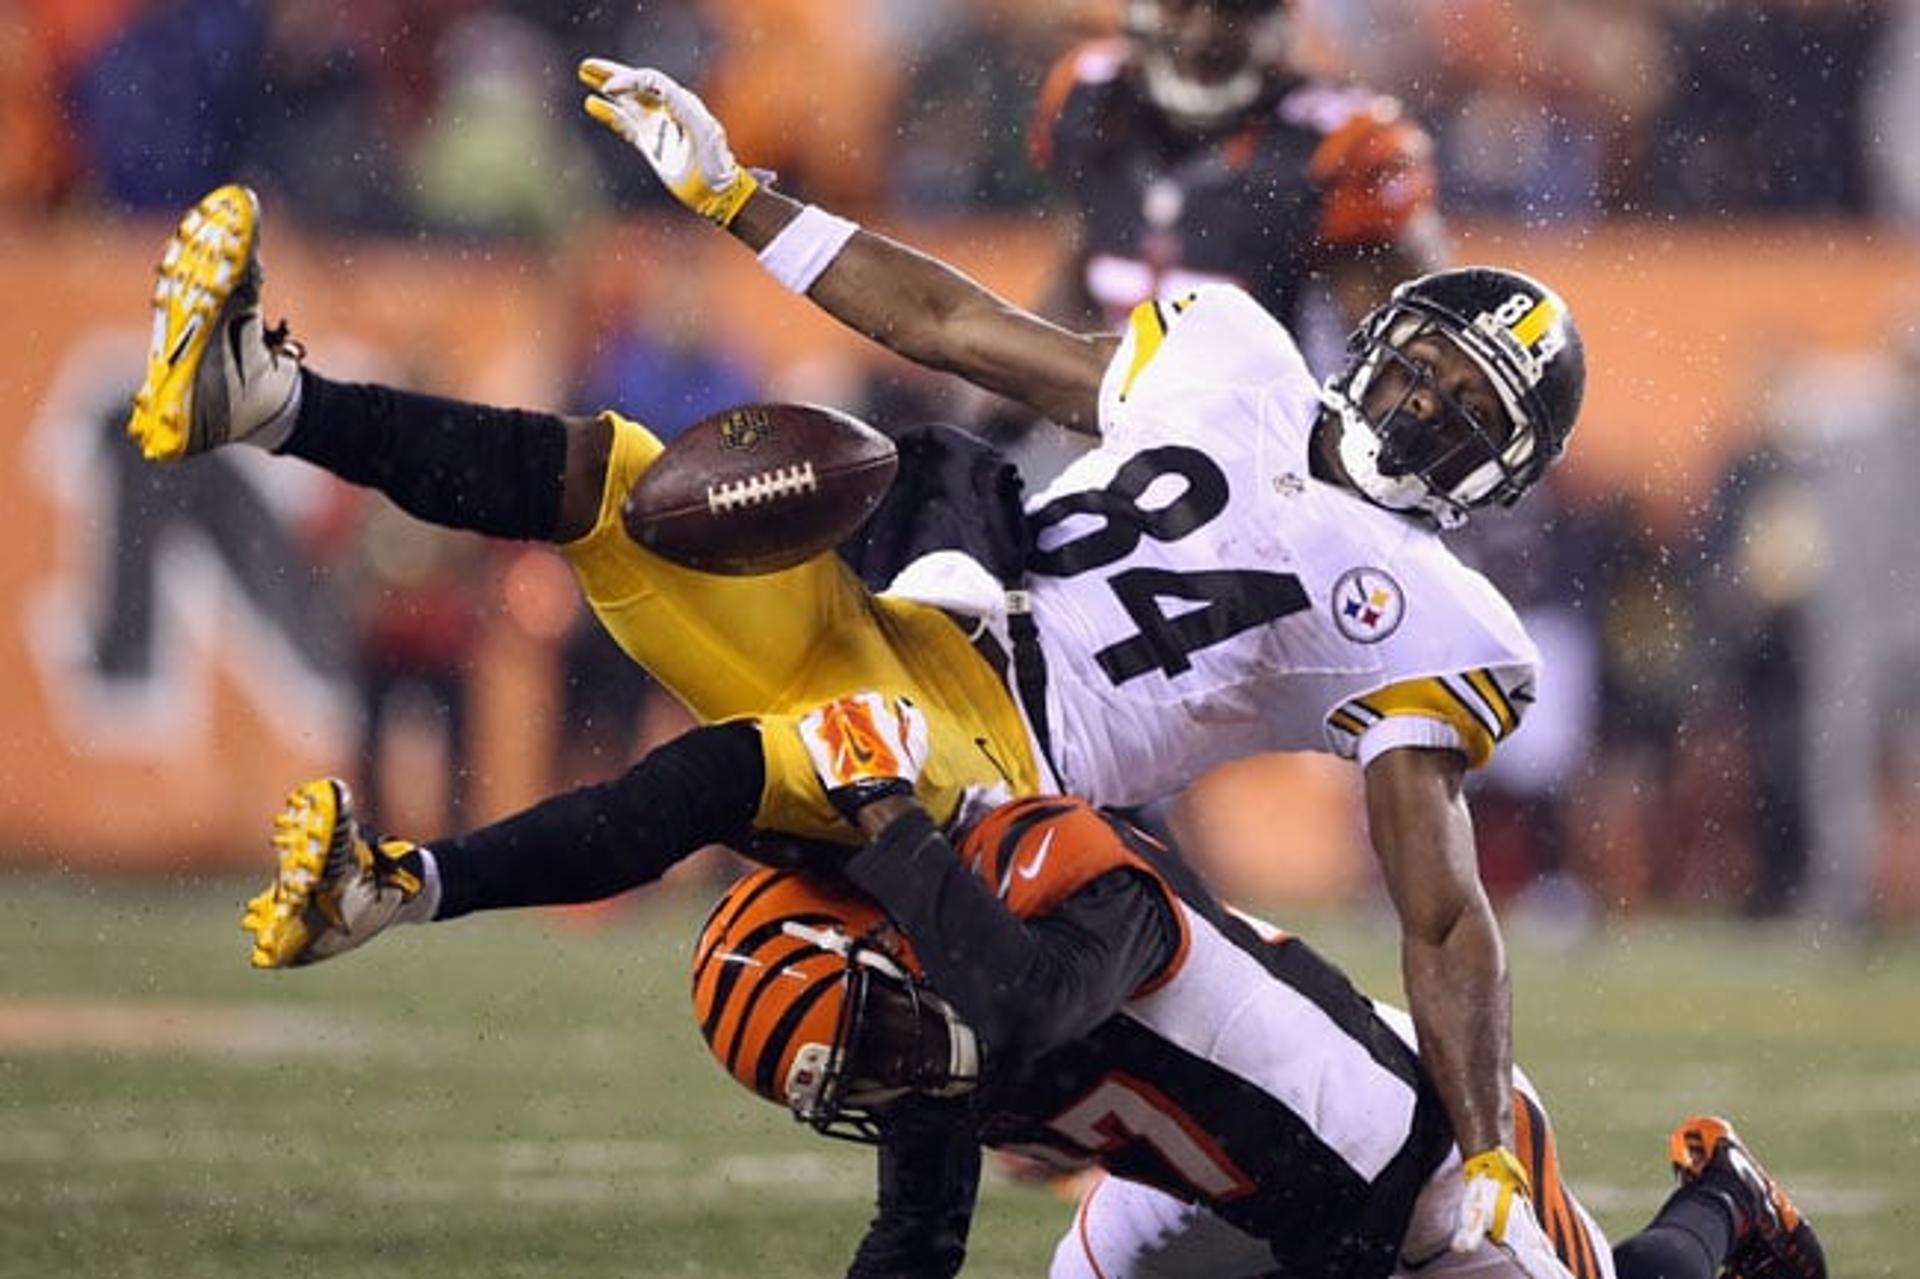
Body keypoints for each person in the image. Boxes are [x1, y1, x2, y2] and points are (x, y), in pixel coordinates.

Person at [127, 57, 1583, 1264]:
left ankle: (402, 885)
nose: (1426, 407)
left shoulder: (1433, 607)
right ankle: (267, 396)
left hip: (1012, 772)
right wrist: (733, 196)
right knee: (614, 479)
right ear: (1377, 334)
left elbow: (1444, 913)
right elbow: (955, 321)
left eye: (1468, 412)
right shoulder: (1237, 349)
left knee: (764, 768)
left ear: (1496, 474)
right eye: (1431, 368)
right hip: (914, 630)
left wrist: (1484, 1146)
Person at [708, 693, 1822, 1279]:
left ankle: (1725, 1199)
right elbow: (915, 1244)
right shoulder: (924, 1022)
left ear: (895, 945)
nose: (892, 1071)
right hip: (1193, 1188)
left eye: (877, 1034)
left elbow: (1026, 1002)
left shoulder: (1073, 899)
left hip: (1397, 1133)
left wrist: (889, 818)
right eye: (858, 1073)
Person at [1030, 0, 1447, 352]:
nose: (1204, 35)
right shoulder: (1093, 97)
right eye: (1182, 5)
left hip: (1272, 439)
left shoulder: (1338, 145)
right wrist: (996, 423)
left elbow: (1411, 358)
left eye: (1235, 6)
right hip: (1121, 432)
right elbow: (1079, 277)